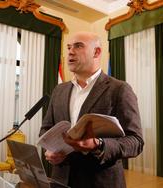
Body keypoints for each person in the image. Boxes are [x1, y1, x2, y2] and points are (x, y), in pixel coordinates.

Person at [39, 31, 144, 188]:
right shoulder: (59, 90)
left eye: (78, 46)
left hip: (100, 182)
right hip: (60, 180)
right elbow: (46, 130)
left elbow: (135, 141)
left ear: (96, 52)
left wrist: (98, 144)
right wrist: (50, 151)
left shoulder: (119, 89)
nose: (70, 52)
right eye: (68, 47)